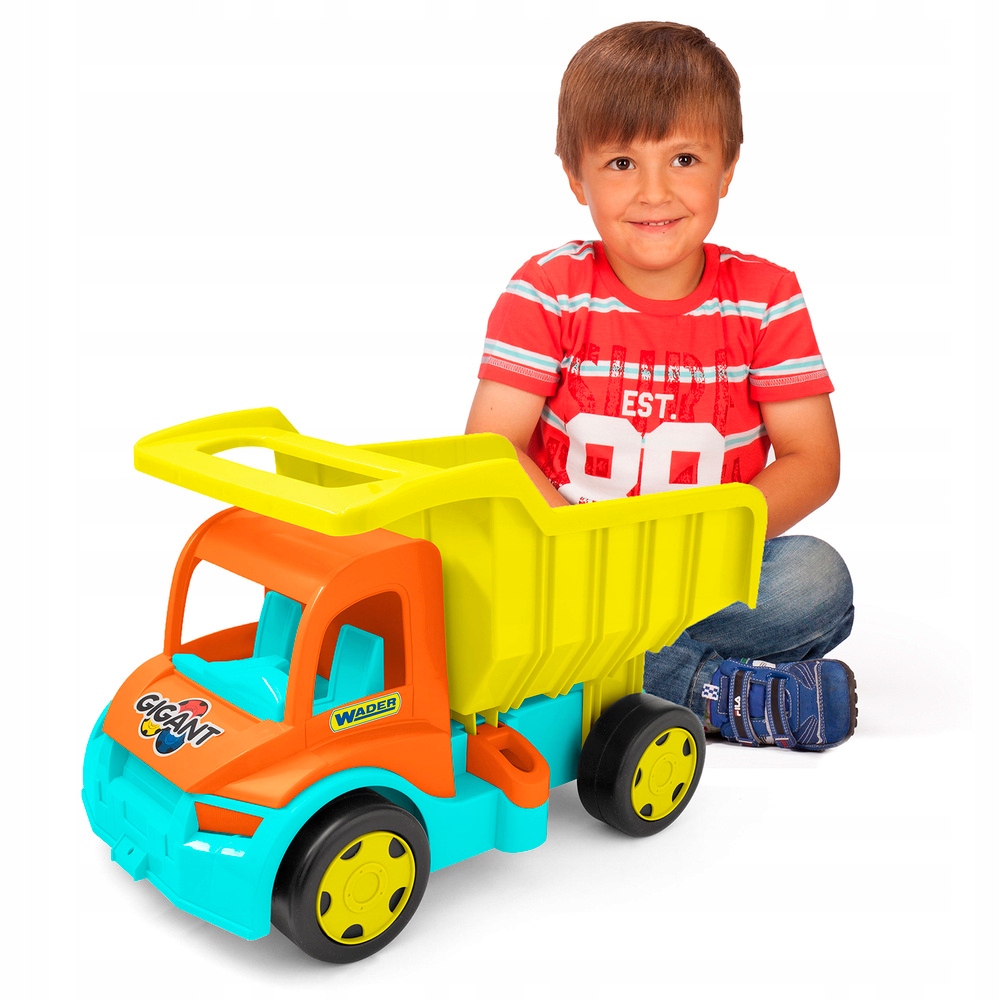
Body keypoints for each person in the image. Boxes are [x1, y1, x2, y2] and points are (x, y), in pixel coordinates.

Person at [466, 21, 856, 751]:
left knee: (815, 581)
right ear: (575, 176)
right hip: (571, 568)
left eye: (684, 158)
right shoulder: (547, 290)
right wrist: (579, 549)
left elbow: (813, 461)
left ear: (727, 169)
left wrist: (700, 552)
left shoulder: (766, 297)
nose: (654, 192)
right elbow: (493, 448)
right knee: (477, 587)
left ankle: (606, 679)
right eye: (620, 162)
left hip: (696, 575)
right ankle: (715, 691)